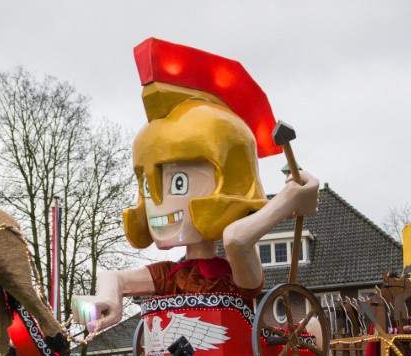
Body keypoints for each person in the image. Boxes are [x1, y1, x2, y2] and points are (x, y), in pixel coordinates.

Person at [72, 77, 319, 334]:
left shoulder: (234, 274)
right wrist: (108, 299)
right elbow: (113, 277)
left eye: (178, 182)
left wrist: (287, 199)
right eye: (148, 186)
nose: (158, 202)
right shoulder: (170, 276)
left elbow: (235, 240)